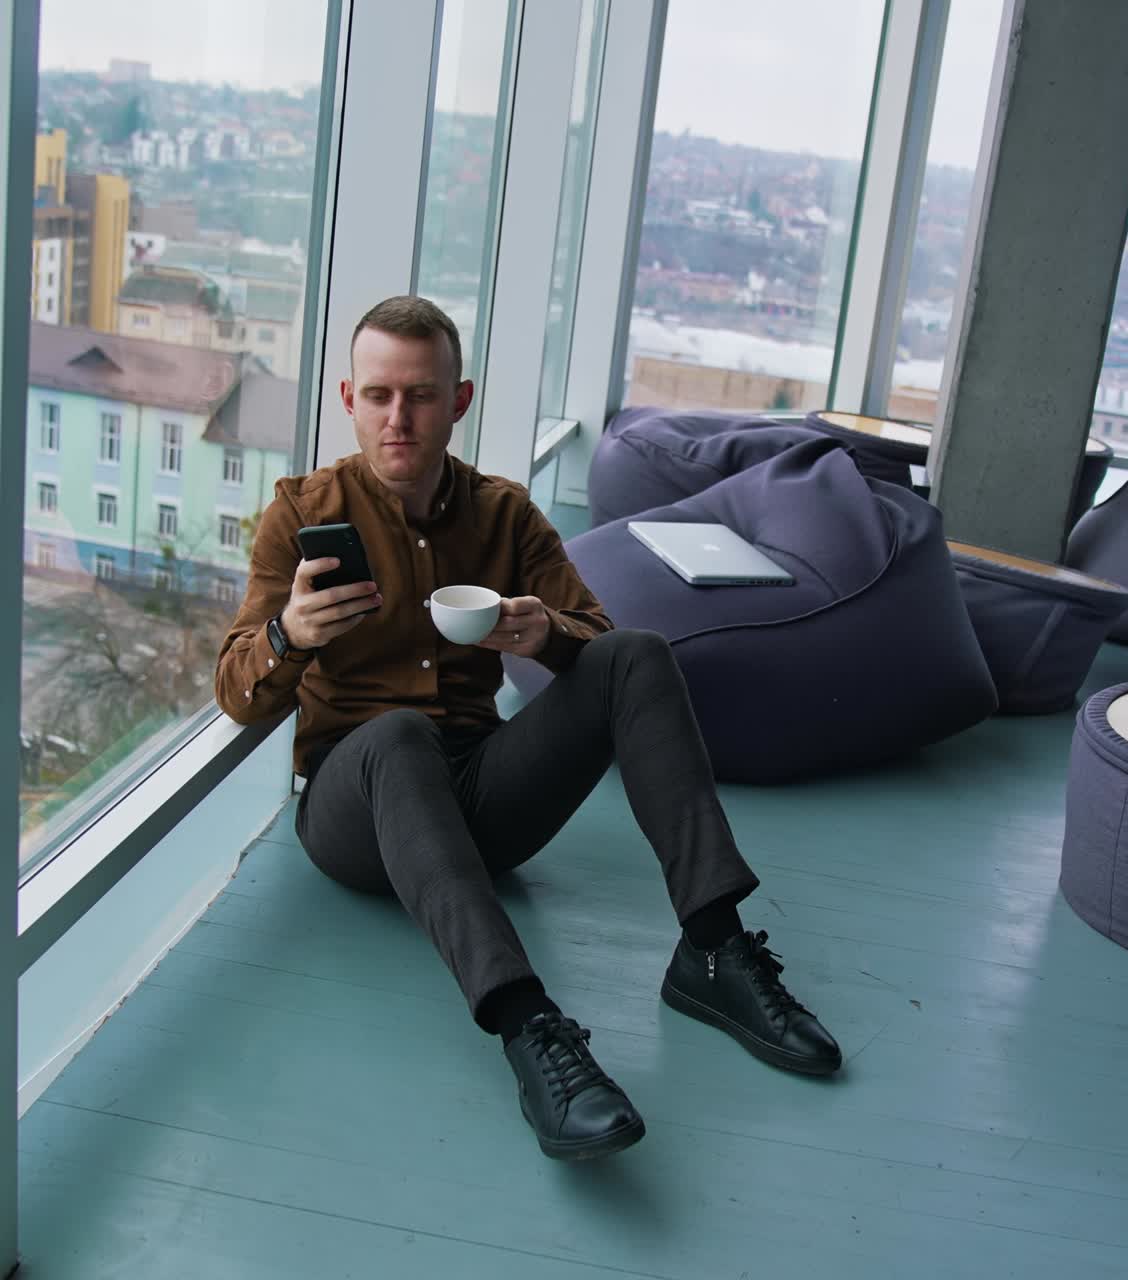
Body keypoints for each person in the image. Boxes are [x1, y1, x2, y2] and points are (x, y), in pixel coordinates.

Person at [215, 295, 841, 1161]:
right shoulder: (301, 516)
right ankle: (531, 1028)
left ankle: (713, 949)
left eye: (422, 396)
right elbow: (238, 693)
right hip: (355, 809)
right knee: (398, 736)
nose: (400, 418)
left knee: (641, 654)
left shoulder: (503, 515)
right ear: (347, 399)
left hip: (480, 795)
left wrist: (545, 633)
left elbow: (597, 634)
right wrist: (291, 635)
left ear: (460, 400)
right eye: (380, 395)